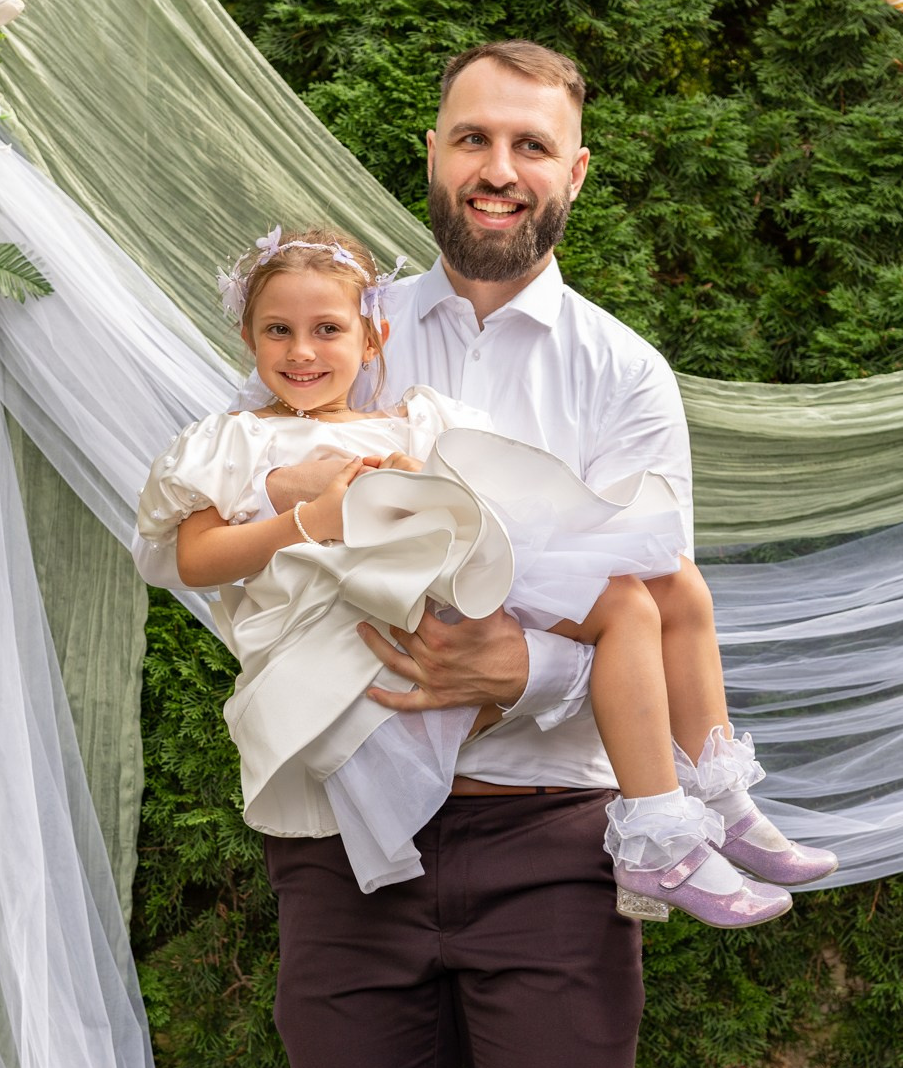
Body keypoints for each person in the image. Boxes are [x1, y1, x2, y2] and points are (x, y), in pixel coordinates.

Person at [236, 42, 832, 1068]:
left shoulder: (622, 375)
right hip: (345, 848)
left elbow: (650, 602)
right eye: (472, 138)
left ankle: (717, 804)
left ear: (575, 171)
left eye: (528, 145)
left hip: (549, 850)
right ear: (431, 154)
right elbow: (254, 549)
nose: (496, 167)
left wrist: (531, 673)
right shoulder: (329, 336)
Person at [134, 225, 795, 927]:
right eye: (278, 330)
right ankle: (660, 837)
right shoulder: (237, 440)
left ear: (371, 339)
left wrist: (420, 479)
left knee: (669, 584)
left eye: (326, 328)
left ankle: (717, 795)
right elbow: (192, 558)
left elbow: (475, 508)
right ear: (249, 338)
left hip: (457, 598)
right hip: (365, 654)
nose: (301, 350)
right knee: (627, 607)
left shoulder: (411, 423)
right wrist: (308, 513)